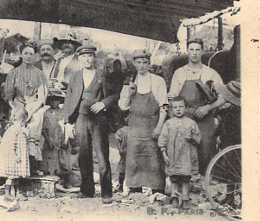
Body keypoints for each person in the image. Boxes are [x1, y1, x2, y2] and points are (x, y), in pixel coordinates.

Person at [63, 44, 120, 204]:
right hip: (80, 118)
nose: (87, 59)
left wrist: (104, 103)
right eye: (83, 56)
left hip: (98, 120)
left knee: (102, 155)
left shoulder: (103, 75)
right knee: (83, 154)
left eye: (90, 56)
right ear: (79, 59)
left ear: (94, 58)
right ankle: (87, 190)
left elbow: (116, 94)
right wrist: (68, 122)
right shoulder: (75, 76)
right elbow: (68, 99)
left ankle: (106, 192)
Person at [168, 38, 224, 173]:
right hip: (184, 116)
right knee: (182, 149)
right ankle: (186, 184)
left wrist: (208, 108)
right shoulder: (179, 73)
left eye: (197, 50)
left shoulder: (210, 73)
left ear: (202, 51)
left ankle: (205, 182)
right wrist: (173, 120)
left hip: (204, 118)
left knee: (205, 149)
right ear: (187, 51)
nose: (194, 53)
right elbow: (172, 98)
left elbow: (223, 98)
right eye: (191, 50)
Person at [118, 49, 167, 194]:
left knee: (154, 160)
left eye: (145, 62)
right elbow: (123, 107)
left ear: (149, 63)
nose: (142, 66)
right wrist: (130, 94)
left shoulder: (158, 81)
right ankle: (135, 189)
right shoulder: (130, 82)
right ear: (134, 63)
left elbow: (164, 106)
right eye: (138, 62)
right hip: (135, 127)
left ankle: (157, 190)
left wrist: (159, 127)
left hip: (152, 126)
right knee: (134, 159)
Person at [3, 43, 47, 173]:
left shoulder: (40, 74)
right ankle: (12, 169)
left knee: (33, 130)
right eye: (26, 53)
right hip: (18, 105)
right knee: (16, 133)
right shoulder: (14, 72)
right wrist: (16, 108)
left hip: (34, 107)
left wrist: (31, 111)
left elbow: (42, 97)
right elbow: (8, 95)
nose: (28, 56)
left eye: (31, 54)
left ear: (35, 56)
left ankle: (32, 168)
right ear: (21, 54)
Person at [158, 97, 201, 209]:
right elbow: (163, 139)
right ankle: (174, 196)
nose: (178, 110)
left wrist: (192, 138)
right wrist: (164, 154)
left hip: (187, 155)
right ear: (171, 109)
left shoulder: (191, 123)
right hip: (173, 155)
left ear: (186, 108)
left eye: (181, 107)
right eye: (175, 107)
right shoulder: (168, 123)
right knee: (174, 176)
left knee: (186, 176)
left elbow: (198, 138)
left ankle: (185, 198)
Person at [0, 96, 30, 202]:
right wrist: (15, 156)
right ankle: (7, 193)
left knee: (15, 177)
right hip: (13, 158)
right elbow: (11, 145)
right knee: (10, 177)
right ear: (22, 120)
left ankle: (16, 193)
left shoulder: (18, 129)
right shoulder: (14, 130)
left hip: (16, 158)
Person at [41, 85, 70, 188]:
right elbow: (43, 129)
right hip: (50, 139)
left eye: (56, 100)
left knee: (63, 160)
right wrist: (48, 140)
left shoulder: (63, 113)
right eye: (52, 100)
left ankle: (64, 181)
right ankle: (50, 181)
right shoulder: (47, 113)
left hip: (60, 139)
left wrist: (65, 140)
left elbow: (66, 127)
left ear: (59, 101)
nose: (54, 102)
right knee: (50, 160)